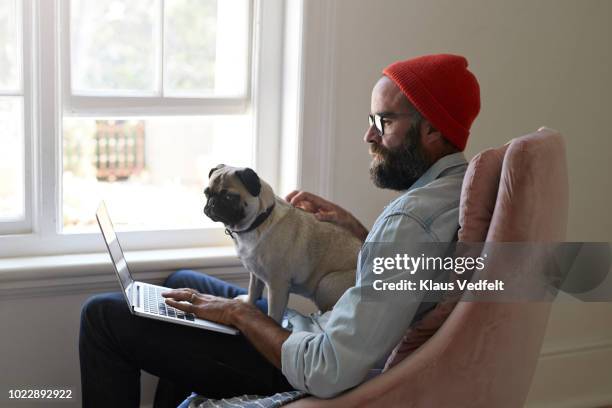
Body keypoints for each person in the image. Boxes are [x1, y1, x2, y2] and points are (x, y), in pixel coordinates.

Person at [79, 53, 480, 407]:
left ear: (430, 130)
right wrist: (362, 234)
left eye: (384, 121)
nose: (368, 135)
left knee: (101, 316)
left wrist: (242, 315)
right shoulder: (455, 191)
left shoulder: (408, 221)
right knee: (179, 283)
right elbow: (408, 278)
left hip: (301, 364)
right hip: (319, 334)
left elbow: (327, 369)